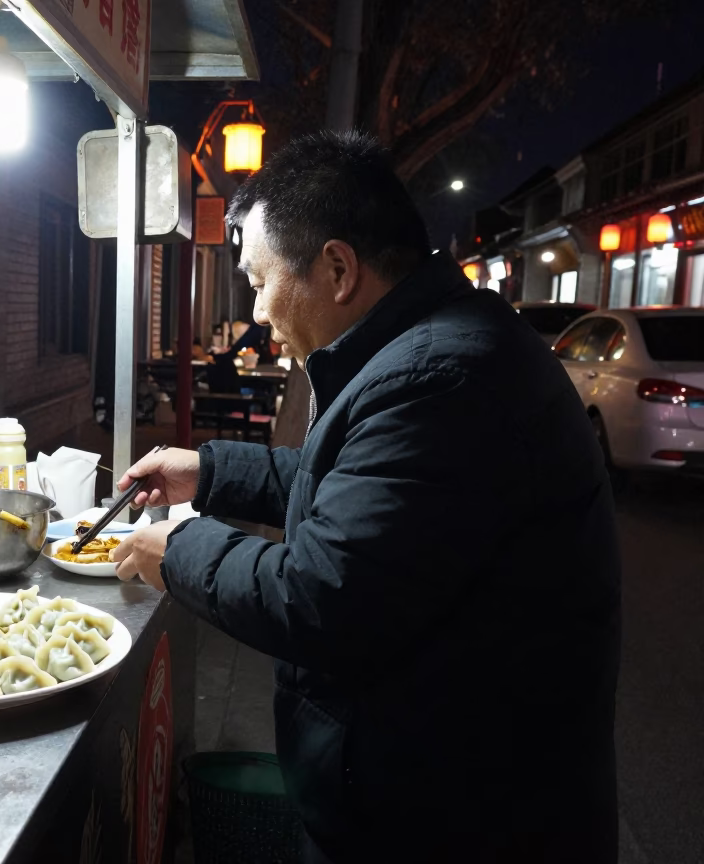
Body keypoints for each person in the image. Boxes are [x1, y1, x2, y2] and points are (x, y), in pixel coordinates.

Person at [111, 132, 620, 864]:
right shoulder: (432, 348)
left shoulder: (442, 378)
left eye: (259, 281)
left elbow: (324, 594)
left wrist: (181, 547)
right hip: (436, 789)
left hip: (461, 820)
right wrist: (212, 472)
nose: (258, 311)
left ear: (339, 268)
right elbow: (360, 495)